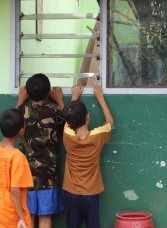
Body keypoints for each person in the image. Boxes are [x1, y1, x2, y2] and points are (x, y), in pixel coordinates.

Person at [16, 73, 82, 228]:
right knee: (45, 217)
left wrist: (20, 99)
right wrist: (64, 99)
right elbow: (71, 119)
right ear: (48, 93)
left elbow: (11, 119)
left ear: (27, 92)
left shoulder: (22, 110)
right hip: (48, 177)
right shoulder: (53, 110)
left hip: (26, 176)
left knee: (29, 217)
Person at [62, 85, 114, 228]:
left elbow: (68, 119)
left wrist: (74, 96)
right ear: (88, 116)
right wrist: (100, 98)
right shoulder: (97, 137)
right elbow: (110, 122)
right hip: (90, 194)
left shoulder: (67, 135)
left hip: (71, 193)